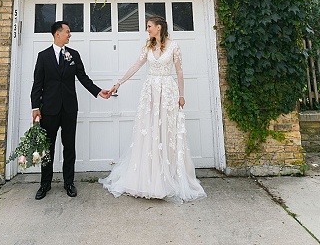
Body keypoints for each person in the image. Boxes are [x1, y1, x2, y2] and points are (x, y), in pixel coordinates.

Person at [100, 16, 206, 203]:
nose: (147, 29)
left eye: (149, 26)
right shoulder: (148, 47)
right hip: (150, 92)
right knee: (149, 131)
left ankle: (169, 177)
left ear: (159, 27)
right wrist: (119, 83)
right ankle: (149, 178)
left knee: (167, 131)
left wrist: (182, 95)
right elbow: (135, 66)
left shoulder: (174, 46)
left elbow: (180, 71)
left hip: (168, 92)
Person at [31, 20, 111, 200]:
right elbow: (37, 84)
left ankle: (69, 183)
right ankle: (45, 184)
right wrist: (35, 107)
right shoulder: (43, 56)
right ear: (57, 34)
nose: (70, 34)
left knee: (69, 147)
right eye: (67, 31)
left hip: (68, 109)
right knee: (47, 149)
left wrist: (98, 92)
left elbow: (83, 77)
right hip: (49, 110)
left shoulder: (73, 54)